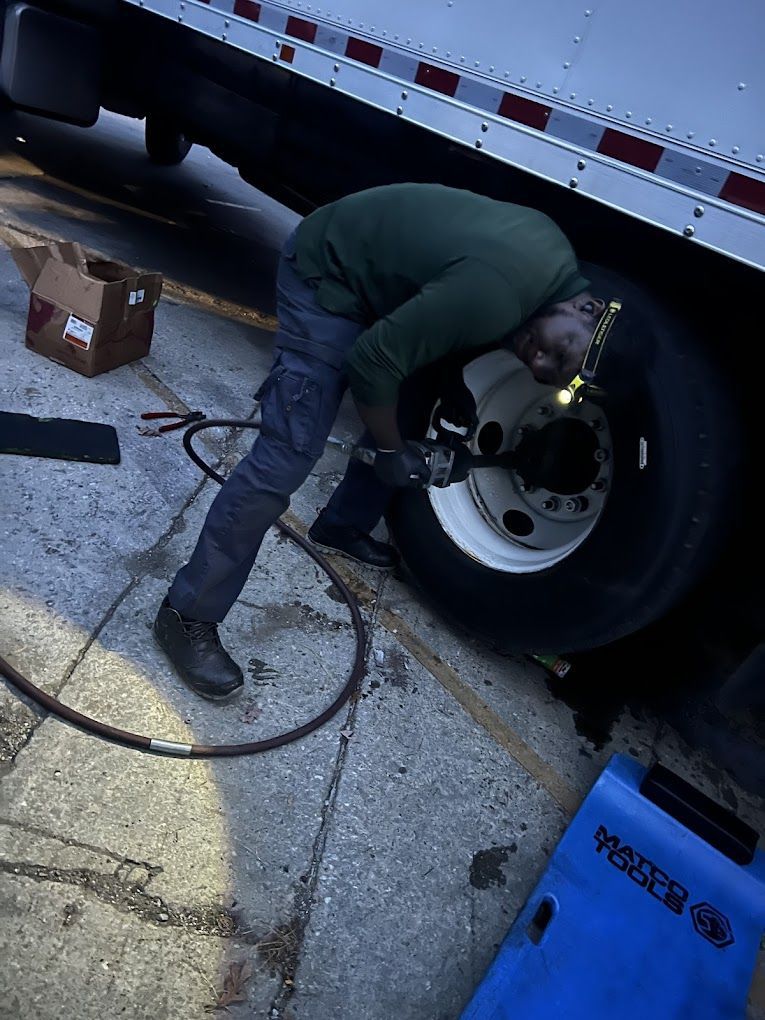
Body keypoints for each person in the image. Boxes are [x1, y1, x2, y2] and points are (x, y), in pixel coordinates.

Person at [154, 183, 607, 701]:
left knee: (410, 404)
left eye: (554, 373)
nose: (538, 364)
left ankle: (340, 525)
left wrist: (446, 382)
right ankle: (186, 613)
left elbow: (442, 298)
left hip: (378, 281)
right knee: (287, 455)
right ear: (589, 307)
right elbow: (371, 361)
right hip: (326, 271)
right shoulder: (498, 295)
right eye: (560, 351)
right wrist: (391, 453)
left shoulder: (553, 271)